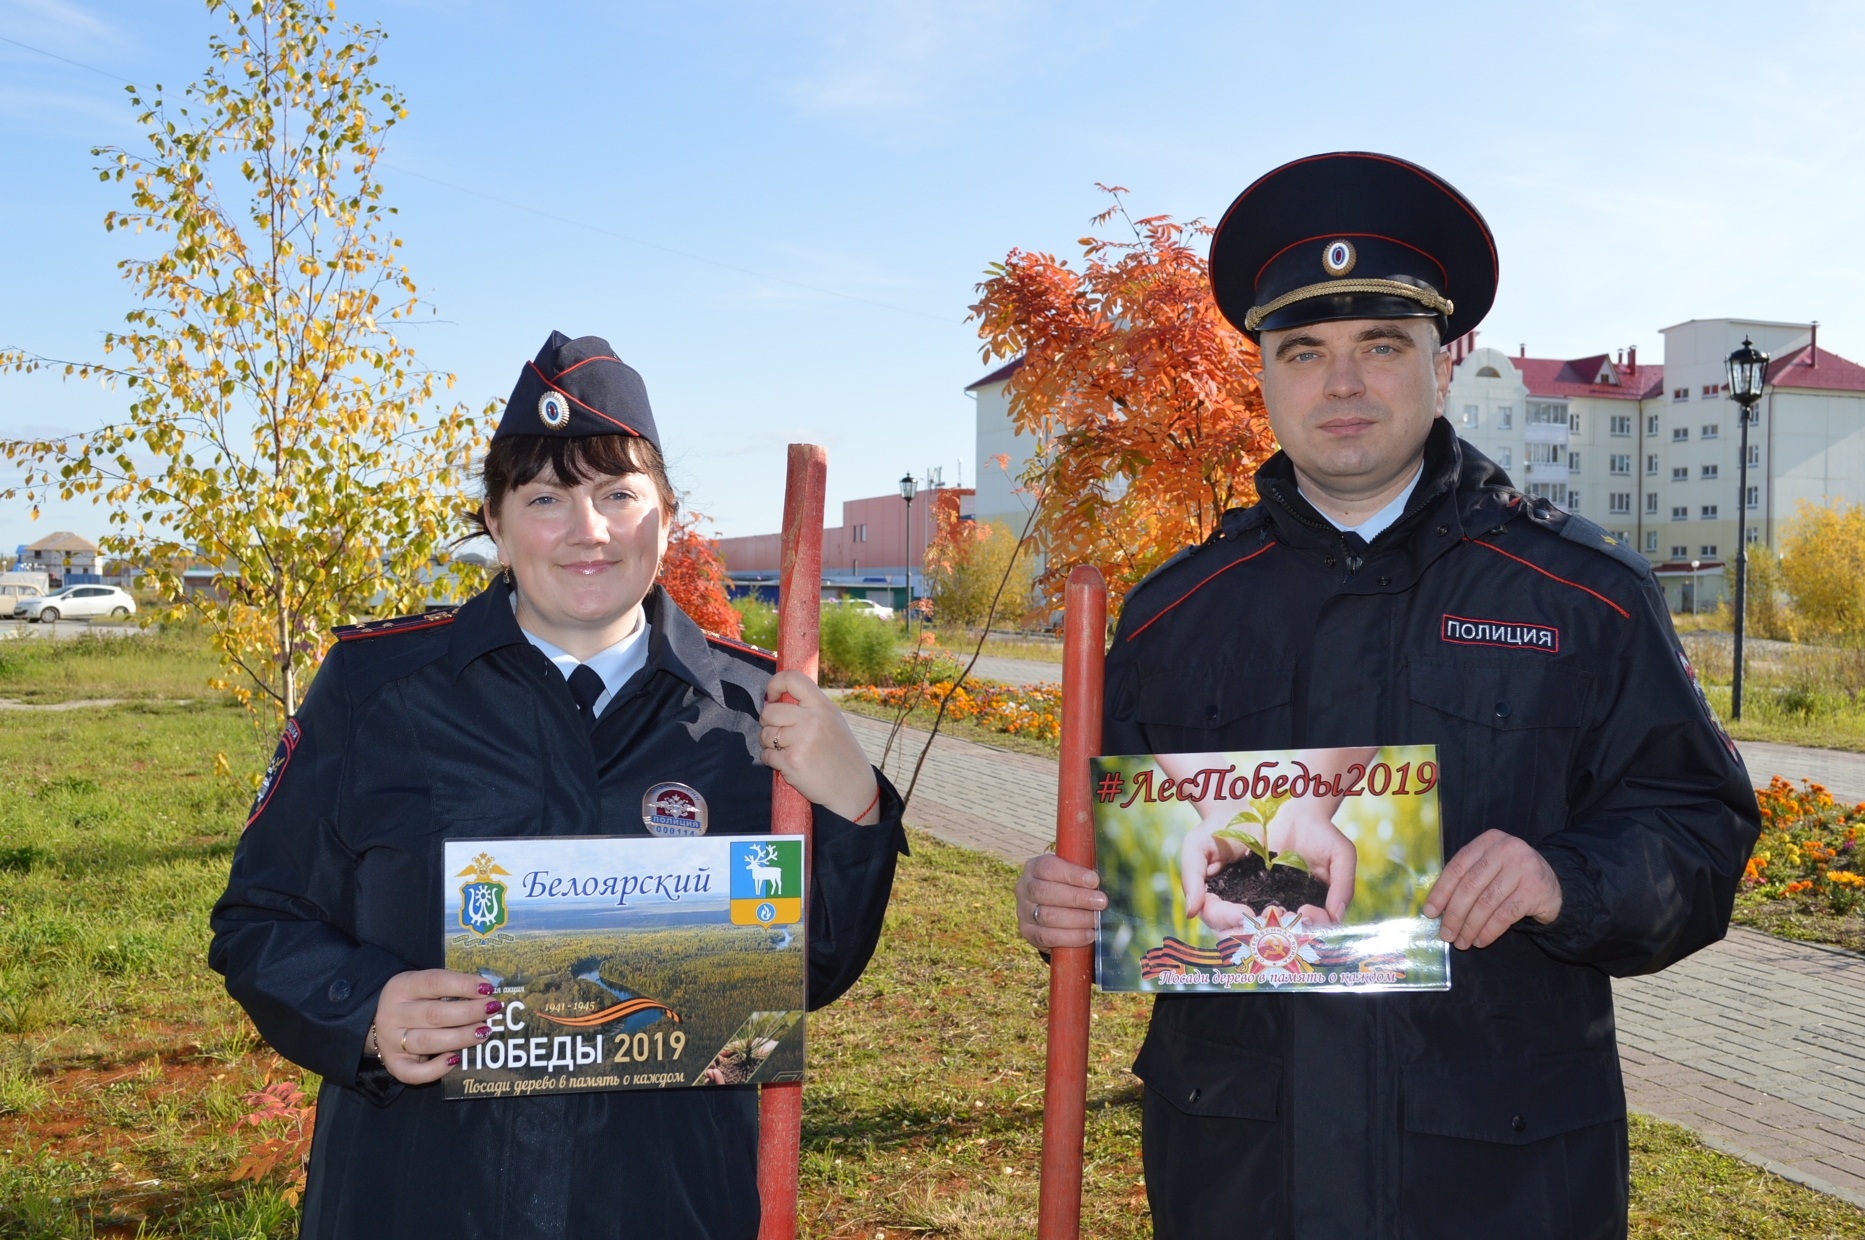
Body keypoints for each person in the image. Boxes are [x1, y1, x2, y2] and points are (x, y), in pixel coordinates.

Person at [1015, 153, 1758, 1239]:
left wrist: (1565, 874)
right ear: (1260, 374)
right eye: (1303, 349)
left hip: (1498, 1186)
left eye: (1380, 345)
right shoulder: (1173, 615)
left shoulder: (1581, 596)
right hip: (1240, 1180)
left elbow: (1698, 834)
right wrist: (1063, 905)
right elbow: (1123, 875)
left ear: (1443, 361)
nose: (1343, 382)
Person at [210, 331, 907, 1239]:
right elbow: (260, 920)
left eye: (619, 494)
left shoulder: (755, 714)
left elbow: (806, 973)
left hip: (667, 1200)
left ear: (666, 512)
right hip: (422, 1194)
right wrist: (365, 1011)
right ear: (495, 522)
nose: (589, 530)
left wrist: (854, 806)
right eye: (545, 497)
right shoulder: (376, 692)